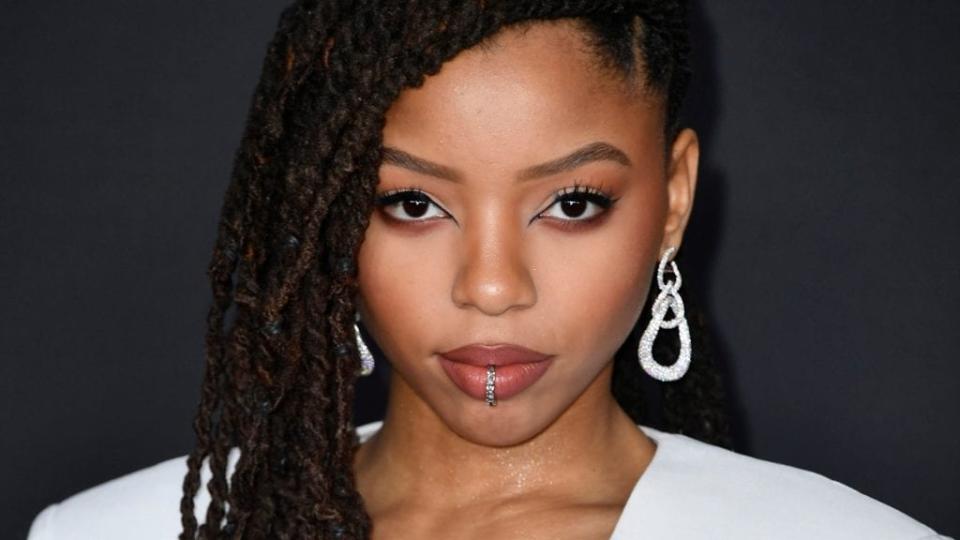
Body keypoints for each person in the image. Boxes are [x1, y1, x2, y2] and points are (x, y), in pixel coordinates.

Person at [27, 1, 953, 539]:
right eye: (414, 204)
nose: (494, 285)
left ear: (673, 198)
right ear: (328, 217)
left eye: (573, 203)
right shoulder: (109, 535)